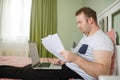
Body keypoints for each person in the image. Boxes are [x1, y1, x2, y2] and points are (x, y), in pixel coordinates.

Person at [0, 7, 114, 80]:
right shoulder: (86, 36)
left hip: (75, 73)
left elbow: (102, 72)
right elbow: (77, 56)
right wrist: (63, 60)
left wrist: (75, 59)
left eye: (79, 22)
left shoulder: (102, 39)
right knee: (29, 68)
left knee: (26, 72)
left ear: (90, 20)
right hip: (67, 66)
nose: (77, 26)